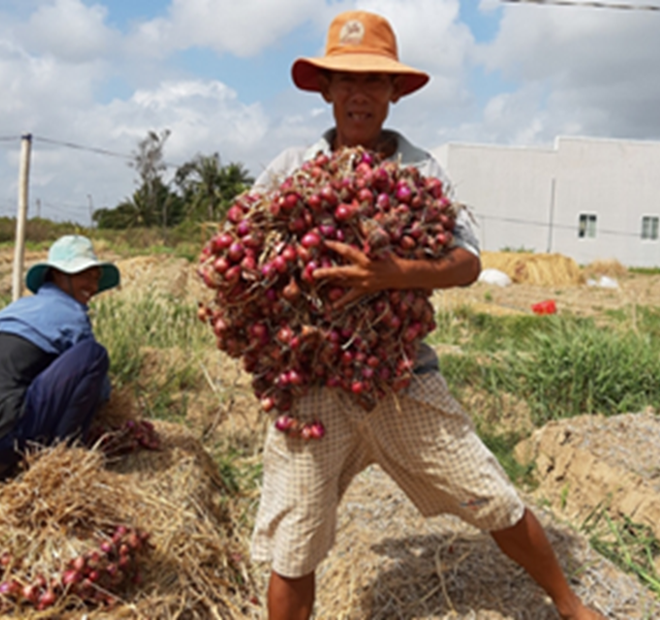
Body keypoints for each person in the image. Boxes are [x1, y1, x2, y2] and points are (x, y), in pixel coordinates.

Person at [249, 11, 606, 620]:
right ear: (327, 89)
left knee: (488, 493)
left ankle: (571, 605)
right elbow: (248, 251)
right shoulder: (290, 170)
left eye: (373, 82)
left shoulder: (421, 175)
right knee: (295, 538)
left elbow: (467, 263)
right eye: (345, 80)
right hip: (309, 385)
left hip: (399, 373)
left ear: (393, 93)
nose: (359, 94)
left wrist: (392, 275)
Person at [0, 234, 120, 478]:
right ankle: (60, 458)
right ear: (59, 275)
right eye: (84, 275)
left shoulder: (16, 309)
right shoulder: (73, 316)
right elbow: (100, 391)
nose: (93, 285)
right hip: (2, 442)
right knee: (94, 355)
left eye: (95, 277)